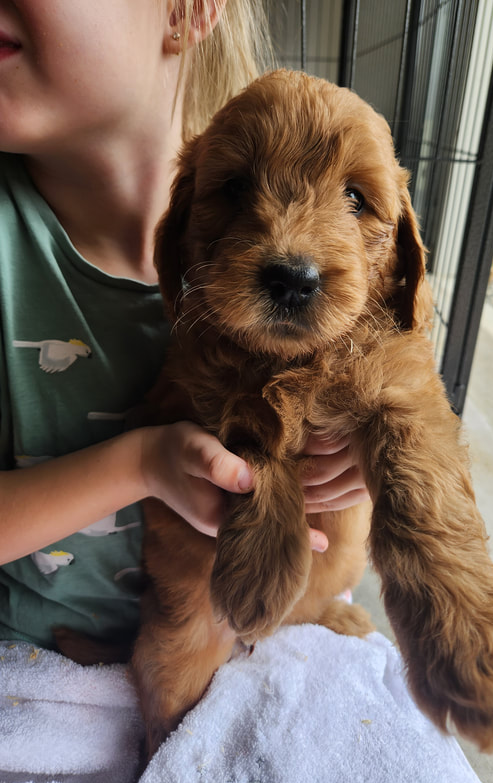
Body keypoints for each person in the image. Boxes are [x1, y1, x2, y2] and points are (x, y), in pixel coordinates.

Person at [0, 0, 369, 651]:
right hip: (47, 656)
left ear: (188, 9)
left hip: (269, 640)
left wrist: (362, 450)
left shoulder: (314, 244)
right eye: (236, 191)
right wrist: (141, 464)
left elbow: (389, 373)